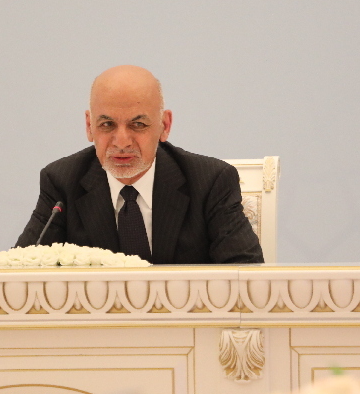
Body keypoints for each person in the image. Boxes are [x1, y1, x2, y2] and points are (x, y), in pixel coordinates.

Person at [15, 65, 263, 264]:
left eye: (138, 125)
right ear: (89, 126)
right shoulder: (61, 182)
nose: (122, 141)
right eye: (107, 125)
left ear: (164, 126)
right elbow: (19, 274)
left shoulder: (210, 182)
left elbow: (246, 275)